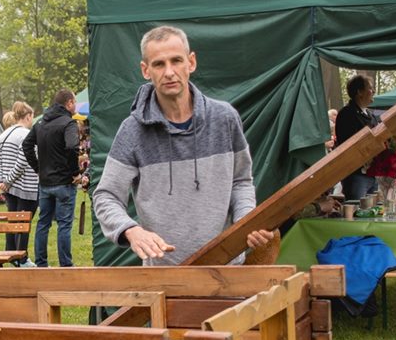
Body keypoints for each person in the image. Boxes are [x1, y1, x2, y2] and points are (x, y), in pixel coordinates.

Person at [94, 25, 273, 266]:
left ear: (191, 62)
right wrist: (131, 230)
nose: (169, 72)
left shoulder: (225, 119)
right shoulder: (132, 131)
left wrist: (245, 220)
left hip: (226, 270)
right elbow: (106, 196)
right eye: (159, 64)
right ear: (146, 70)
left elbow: (240, 181)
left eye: (176, 61)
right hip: (165, 274)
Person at [22, 89, 82, 267]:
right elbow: (72, 147)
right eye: (74, 102)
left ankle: (41, 263)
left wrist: (38, 168)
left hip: (45, 182)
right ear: (69, 103)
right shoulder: (68, 123)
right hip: (64, 182)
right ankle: (66, 265)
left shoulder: (41, 123)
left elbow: (27, 145)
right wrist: (75, 172)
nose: (75, 106)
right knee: (64, 225)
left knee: (43, 223)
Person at [0, 101, 38, 267]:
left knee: (12, 221)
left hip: (9, 188)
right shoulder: (26, 135)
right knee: (23, 224)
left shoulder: (4, 134)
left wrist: (0, 180)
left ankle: (10, 253)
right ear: (28, 116)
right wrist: (8, 180)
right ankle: (22, 258)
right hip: (25, 187)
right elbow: (23, 161)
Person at [335, 75, 379, 201]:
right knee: (356, 209)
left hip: (373, 174)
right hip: (356, 175)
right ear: (359, 92)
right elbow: (348, 144)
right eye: (370, 88)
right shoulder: (347, 114)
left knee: (374, 209)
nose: (373, 91)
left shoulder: (371, 115)